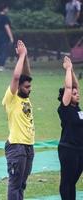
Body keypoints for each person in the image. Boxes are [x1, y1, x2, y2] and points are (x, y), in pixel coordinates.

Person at [2, 40, 35, 200]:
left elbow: (25, 75)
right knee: (15, 184)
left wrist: (26, 56)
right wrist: (21, 56)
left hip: (28, 146)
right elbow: (16, 77)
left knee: (22, 184)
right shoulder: (12, 97)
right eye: (26, 87)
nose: (30, 89)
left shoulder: (25, 96)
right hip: (17, 146)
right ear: (19, 87)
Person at [57, 56, 83, 200]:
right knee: (67, 182)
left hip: (80, 149)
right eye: (74, 94)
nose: (77, 94)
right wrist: (67, 69)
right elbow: (69, 87)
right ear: (66, 97)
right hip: (68, 149)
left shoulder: (77, 107)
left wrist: (72, 69)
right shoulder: (65, 108)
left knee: (73, 182)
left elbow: (74, 86)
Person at [0, 3, 14, 71]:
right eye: (7, 8)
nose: (8, 9)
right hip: (4, 36)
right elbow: (7, 27)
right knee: (4, 50)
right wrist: (11, 37)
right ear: (4, 9)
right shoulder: (5, 17)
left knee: (0, 50)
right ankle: (2, 66)